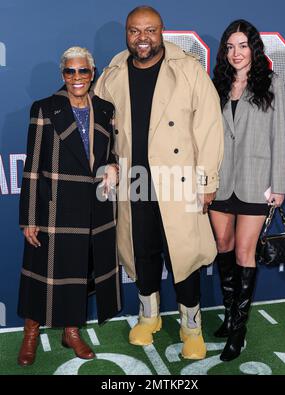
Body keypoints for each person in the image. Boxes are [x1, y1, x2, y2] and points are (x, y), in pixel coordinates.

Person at [94, 6, 223, 360]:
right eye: (135, 31)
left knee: (183, 256)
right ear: (127, 33)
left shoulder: (188, 70)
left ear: (162, 31)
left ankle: (191, 327)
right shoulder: (113, 72)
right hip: (134, 180)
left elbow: (210, 128)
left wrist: (207, 179)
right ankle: (148, 317)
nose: (143, 38)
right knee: (142, 252)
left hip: (178, 180)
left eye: (150, 30)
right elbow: (100, 126)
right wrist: (106, 165)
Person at [17, 47, 121, 366]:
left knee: (78, 272)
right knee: (42, 273)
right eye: (70, 72)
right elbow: (33, 167)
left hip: (93, 209)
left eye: (83, 71)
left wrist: (114, 165)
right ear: (62, 75)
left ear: (93, 73)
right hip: (53, 208)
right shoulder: (45, 109)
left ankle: (71, 331)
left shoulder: (105, 109)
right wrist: (29, 217)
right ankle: (31, 333)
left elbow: (110, 153)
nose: (77, 78)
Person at [209, 19, 285, 361]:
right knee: (223, 247)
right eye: (230, 46)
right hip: (221, 180)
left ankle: (238, 331)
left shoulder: (271, 83)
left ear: (253, 48)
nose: (236, 53)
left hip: (257, 182)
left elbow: (279, 137)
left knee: (244, 254)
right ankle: (229, 315)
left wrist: (279, 185)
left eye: (242, 45)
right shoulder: (218, 84)